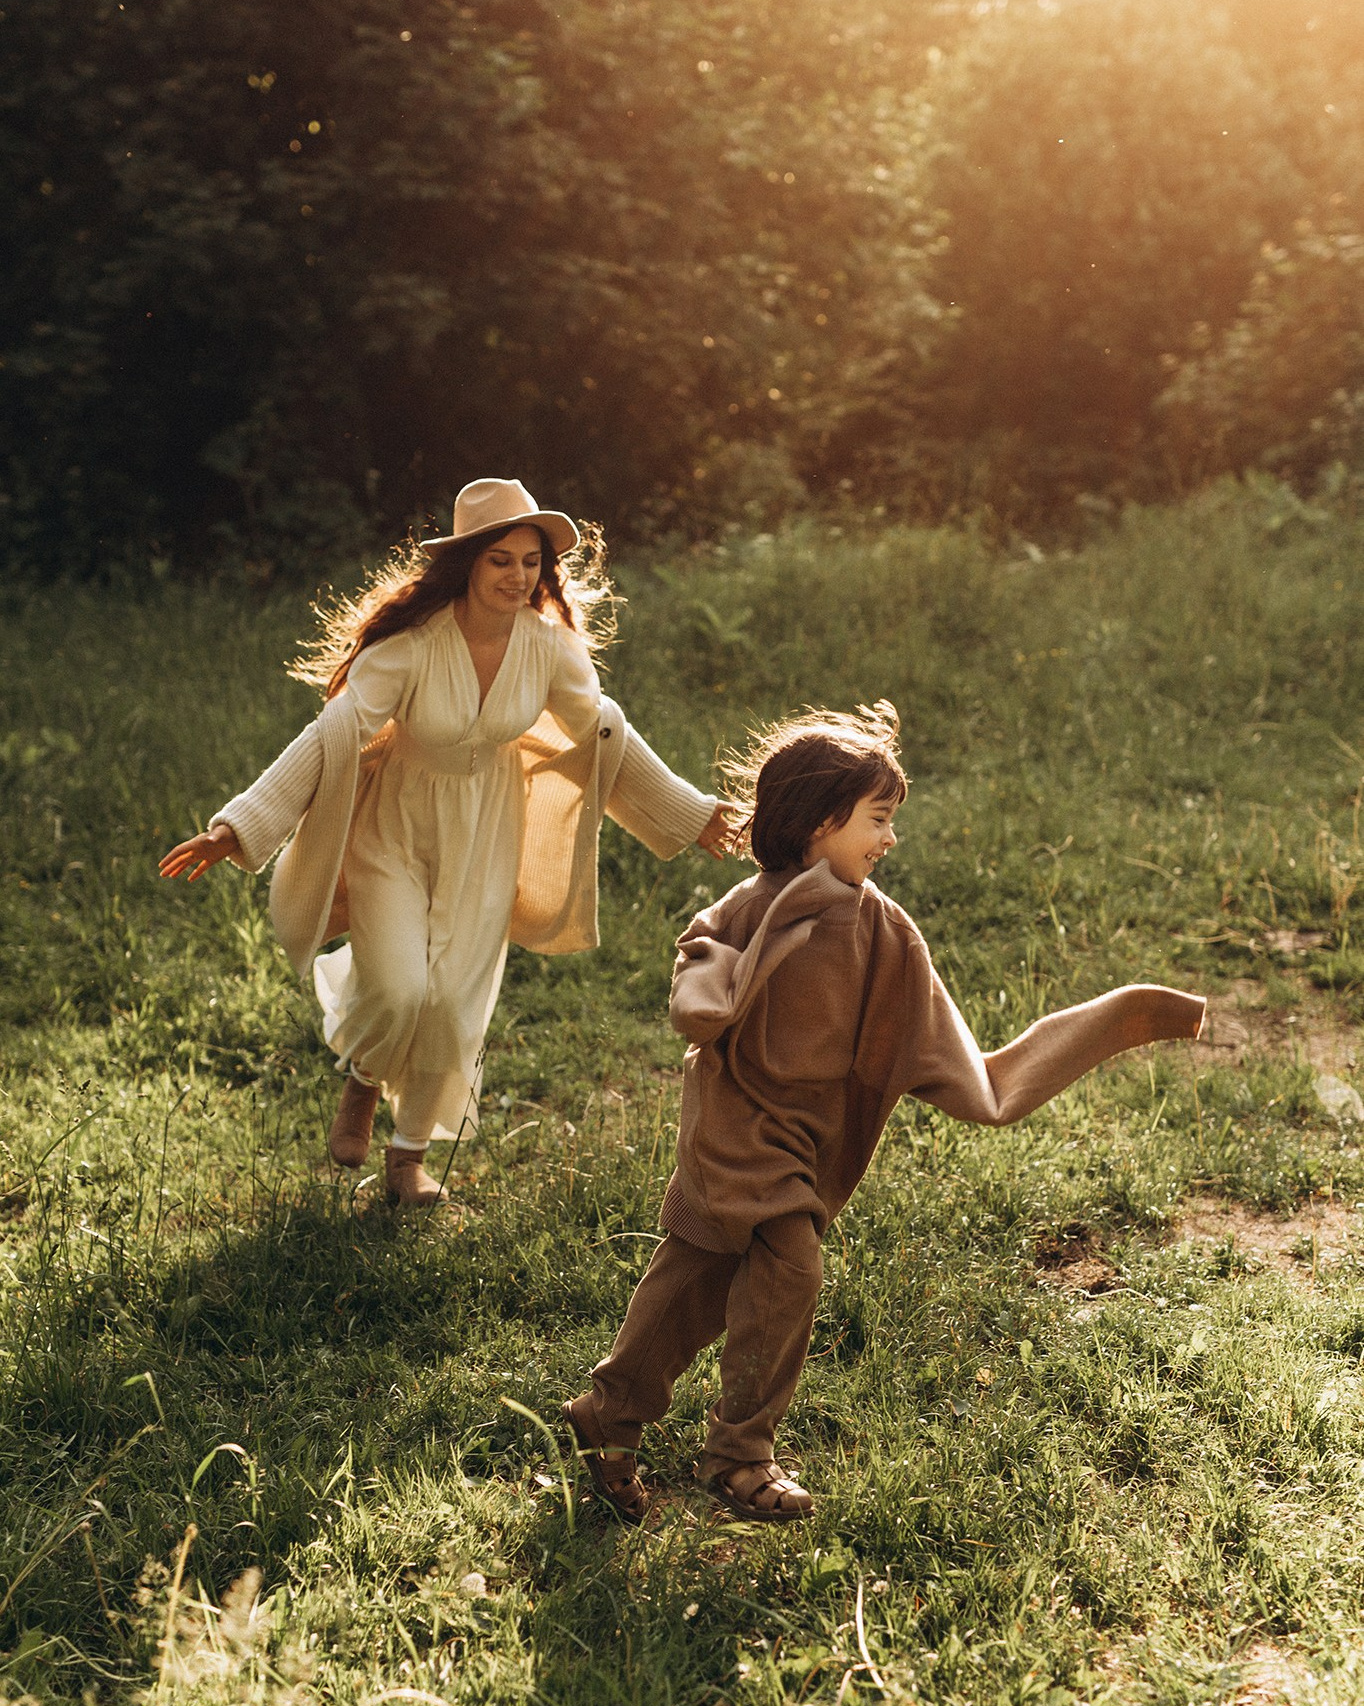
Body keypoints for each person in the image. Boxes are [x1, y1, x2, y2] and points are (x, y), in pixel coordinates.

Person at [562, 703, 1205, 1524]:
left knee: (691, 1280)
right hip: (734, 1124)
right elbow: (702, 966)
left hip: (806, 1136)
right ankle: (740, 1455)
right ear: (819, 821)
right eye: (879, 819)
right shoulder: (751, 906)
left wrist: (1119, 1024)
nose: (889, 839)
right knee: (789, 1267)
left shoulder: (882, 927)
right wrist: (708, 988)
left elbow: (942, 1039)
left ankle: (608, 1418)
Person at [161, 478, 729, 1206]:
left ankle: (408, 1159)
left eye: (530, 562)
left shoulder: (548, 648)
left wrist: (690, 812)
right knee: (399, 986)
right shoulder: (411, 645)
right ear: (465, 565)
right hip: (395, 828)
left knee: (455, 1004)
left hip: (487, 832)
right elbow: (334, 732)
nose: (517, 576)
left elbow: (603, 732)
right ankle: (364, 1080)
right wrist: (235, 826)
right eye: (500, 560)